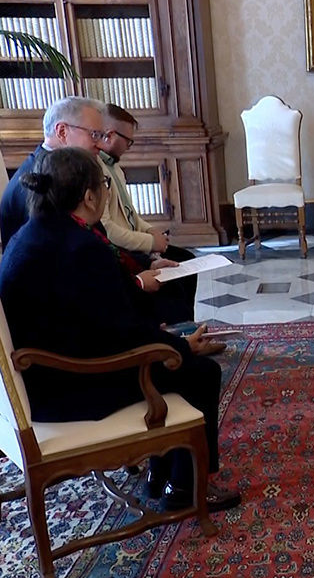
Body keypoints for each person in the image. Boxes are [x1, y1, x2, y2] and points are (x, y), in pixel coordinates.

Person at [0, 148, 240, 512]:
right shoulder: (79, 247)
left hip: (44, 374)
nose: (106, 191)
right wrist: (181, 348)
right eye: (105, 184)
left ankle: (160, 474)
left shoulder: (34, 233)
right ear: (89, 195)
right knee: (198, 373)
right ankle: (185, 489)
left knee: (172, 358)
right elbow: (122, 334)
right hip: (71, 384)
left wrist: (169, 341)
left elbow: (100, 316)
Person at [98, 103, 200, 327]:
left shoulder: (115, 168)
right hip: (123, 249)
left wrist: (151, 231)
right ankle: (176, 335)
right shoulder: (96, 171)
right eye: (128, 141)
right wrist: (150, 242)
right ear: (109, 136)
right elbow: (108, 229)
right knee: (175, 281)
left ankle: (187, 330)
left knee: (186, 262)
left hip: (135, 241)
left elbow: (130, 214)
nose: (129, 147)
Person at [1, 96, 107, 249]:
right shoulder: (42, 178)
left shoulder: (64, 168)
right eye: (94, 135)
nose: (102, 145)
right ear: (62, 132)